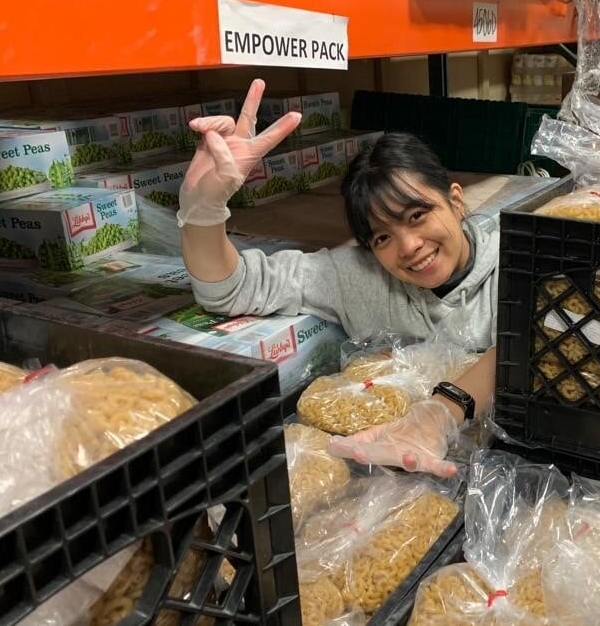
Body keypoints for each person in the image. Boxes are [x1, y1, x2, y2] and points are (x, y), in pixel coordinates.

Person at [178, 80, 499, 477]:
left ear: (455, 200)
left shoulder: (511, 261)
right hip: (389, 480)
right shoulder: (358, 276)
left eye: (417, 216)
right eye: (383, 237)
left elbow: (528, 345)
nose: (410, 245)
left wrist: (438, 414)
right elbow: (228, 288)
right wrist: (203, 210)